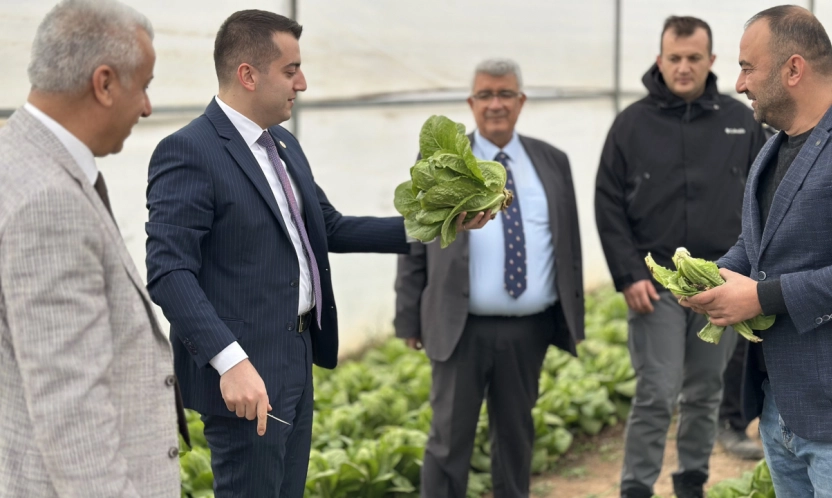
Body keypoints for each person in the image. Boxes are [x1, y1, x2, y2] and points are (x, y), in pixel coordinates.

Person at [145, 10, 490, 498]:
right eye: (291, 70)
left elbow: (328, 228)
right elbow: (168, 271)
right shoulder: (188, 151)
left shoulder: (282, 144)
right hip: (245, 375)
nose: (302, 83)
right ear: (248, 74)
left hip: (296, 355)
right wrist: (230, 361)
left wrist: (439, 223)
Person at [0, 0, 185, 496]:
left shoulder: (15, 159)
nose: (147, 107)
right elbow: (71, 408)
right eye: (143, 86)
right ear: (103, 83)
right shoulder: (49, 202)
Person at [594, 16, 767, 498]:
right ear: (660, 60)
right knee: (656, 392)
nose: (684, 67)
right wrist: (629, 273)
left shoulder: (740, 119)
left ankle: (691, 480)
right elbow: (607, 204)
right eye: (675, 58)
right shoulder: (631, 125)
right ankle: (636, 487)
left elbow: (763, 196)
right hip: (658, 287)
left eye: (694, 58)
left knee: (706, 391)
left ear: (711, 61)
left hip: (721, 282)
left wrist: (745, 271)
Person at [395, 59, 584, 498]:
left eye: (505, 94)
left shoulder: (551, 161)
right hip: (460, 327)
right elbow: (414, 240)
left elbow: (568, 242)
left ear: (521, 101)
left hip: (528, 329)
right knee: (447, 442)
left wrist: (572, 314)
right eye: (485, 95)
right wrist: (408, 318)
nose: (495, 104)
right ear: (470, 102)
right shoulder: (442, 163)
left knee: (517, 439)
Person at [684, 5, 832, 495]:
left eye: (748, 67)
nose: (739, 83)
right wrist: (709, 277)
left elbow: (767, 285)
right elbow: (756, 245)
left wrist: (762, 298)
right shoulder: (773, 147)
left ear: (793, 69)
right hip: (780, 407)